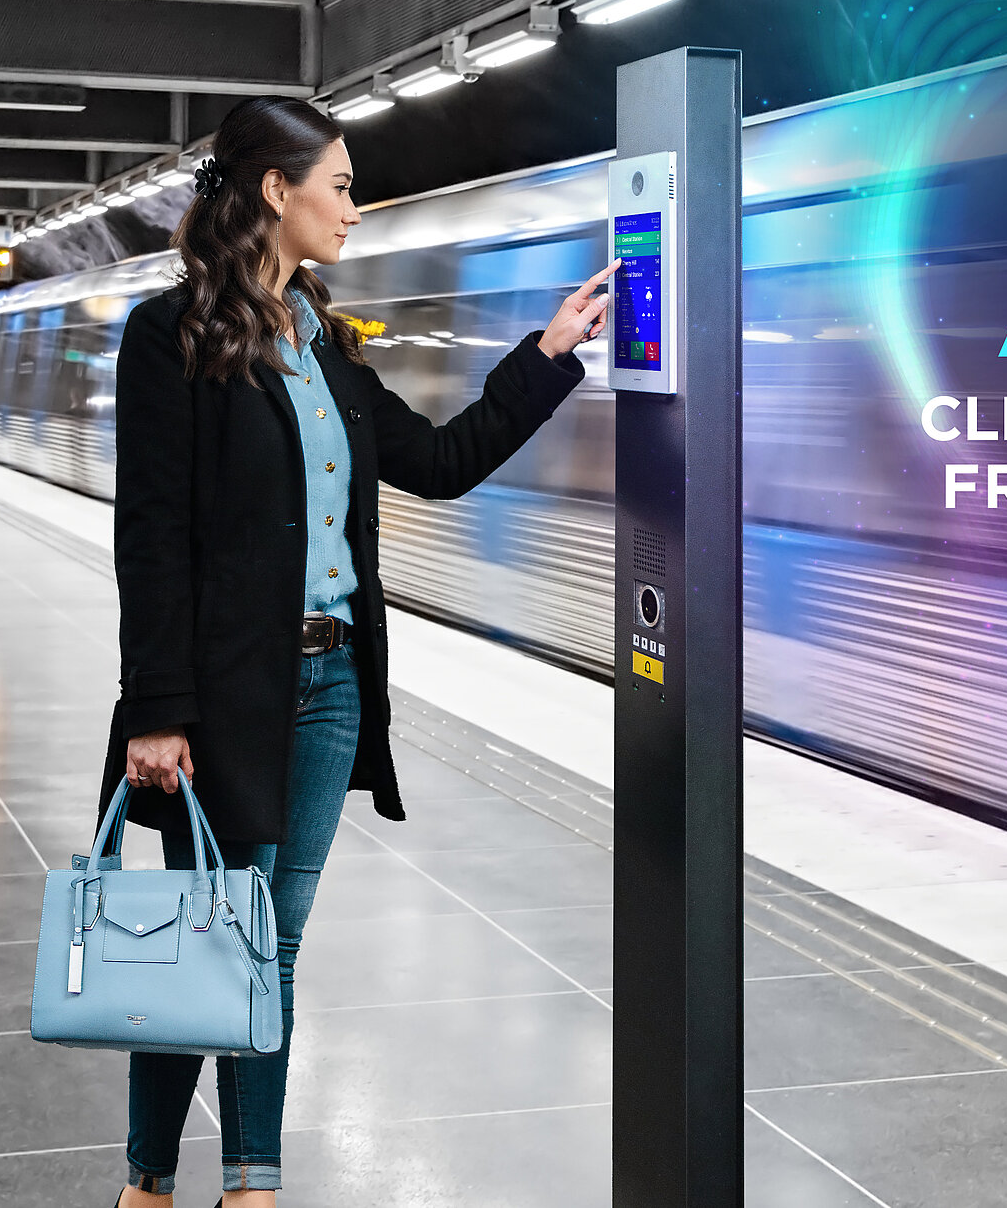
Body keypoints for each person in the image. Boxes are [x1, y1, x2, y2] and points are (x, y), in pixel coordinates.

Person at [106, 96, 614, 1207]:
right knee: (232, 938)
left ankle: (162, 1185)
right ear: (275, 192)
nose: (353, 204)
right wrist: (158, 707)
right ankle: (234, 1187)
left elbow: (436, 461)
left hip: (333, 683)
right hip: (223, 691)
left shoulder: (326, 349)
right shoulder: (170, 338)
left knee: (242, 938)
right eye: (337, 183)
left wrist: (547, 356)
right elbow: (150, 534)